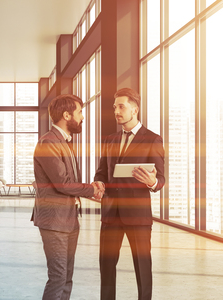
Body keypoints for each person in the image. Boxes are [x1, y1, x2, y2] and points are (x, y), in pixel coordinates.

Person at [93, 88, 165, 300]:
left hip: (138, 215)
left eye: (121, 106)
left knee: (142, 267)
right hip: (110, 214)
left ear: (135, 109)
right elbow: (101, 172)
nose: (116, 110)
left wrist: (153, 182)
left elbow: (161, 178)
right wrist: (98, 182)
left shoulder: (153, 139)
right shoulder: (110, 140)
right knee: (106, 267)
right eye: (115, 107)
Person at [32, 94, 104, 300]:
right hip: (54, 222)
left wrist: (91, 190)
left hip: (69, 219)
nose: (82, 117)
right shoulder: (48, 142)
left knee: (66, 277)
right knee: (58, 277)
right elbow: (62, 183)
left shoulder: (63, 141)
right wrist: (92, 189)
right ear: (66, 114)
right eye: (80, 112)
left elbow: (69, 183)